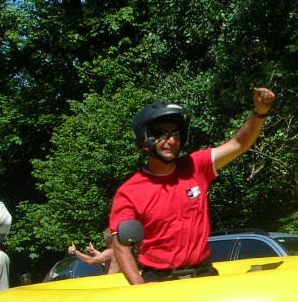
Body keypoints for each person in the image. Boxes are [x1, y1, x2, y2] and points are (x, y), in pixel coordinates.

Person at [110, 87, 276, 284]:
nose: (171, 141)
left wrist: (260, 113)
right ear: (144, 138)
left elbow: (239, 144)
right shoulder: (129, 191)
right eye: (162, 134)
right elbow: (120, 245)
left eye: (176, 134)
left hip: (203, 276)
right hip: (160, 281)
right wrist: (140, 287)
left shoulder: (196, 166)